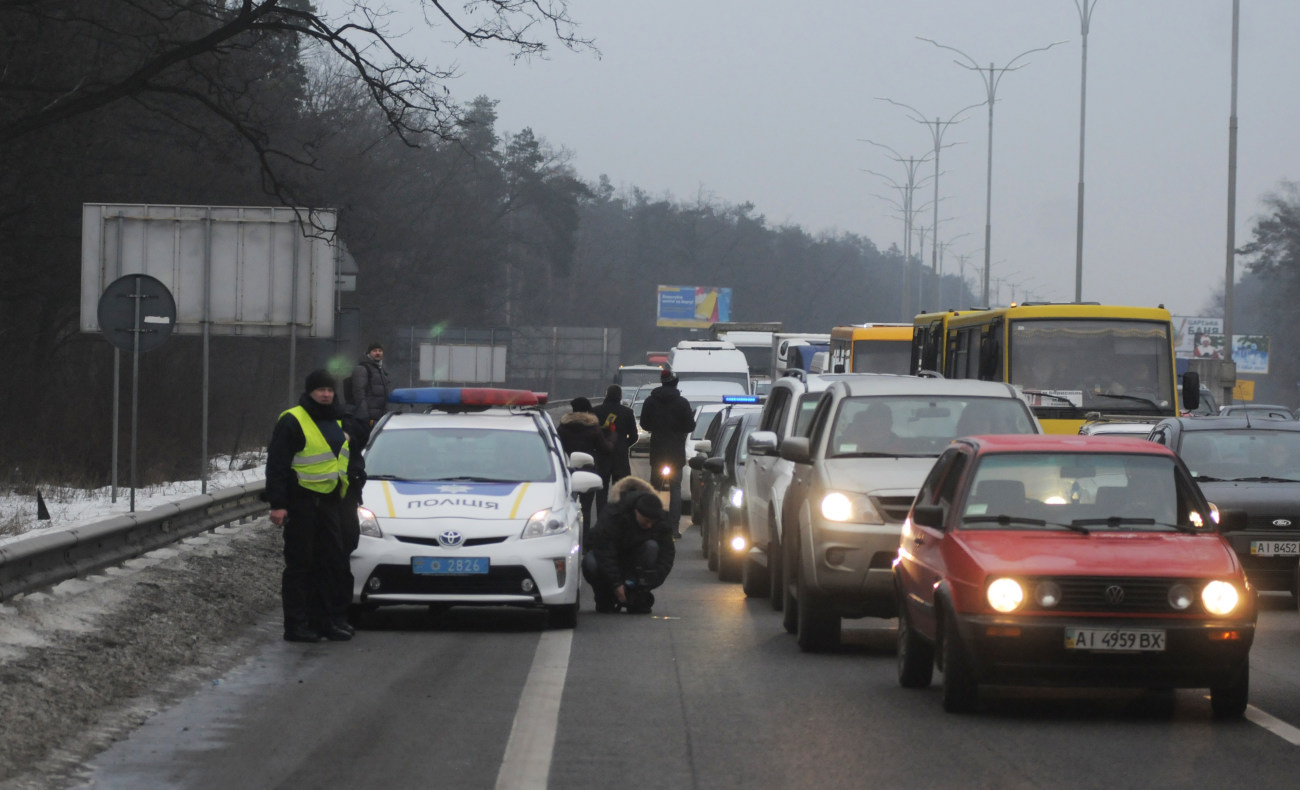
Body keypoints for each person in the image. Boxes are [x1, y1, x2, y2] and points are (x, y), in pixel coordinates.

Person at [266, 369, 354, 643]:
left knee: (329, 564)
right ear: (309, 392)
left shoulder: (336, 419)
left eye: (330, 390)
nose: (326, 394)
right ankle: (296, 625)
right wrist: (278, 504)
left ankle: (324, 622)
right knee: (300, 565)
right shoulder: (293, 420)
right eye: (321, 390)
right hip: (301, 502)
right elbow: (277, 465)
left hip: (329, 503)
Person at [582, 476, 676, 614]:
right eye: (646, 521)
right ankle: (604, 596)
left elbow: (667, 556)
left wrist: (650, 582)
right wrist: (616, 584)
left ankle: (637, 593)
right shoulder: (613, 513)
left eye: (652, 522)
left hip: (636, 564)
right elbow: (604, 550)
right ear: (636, 512)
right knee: (590, 562)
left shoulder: (659, 519)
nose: (649, 525)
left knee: (652, 547)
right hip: (609, 562)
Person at [638, 367, 695, 538]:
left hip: (658, 451)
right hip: (675, 453)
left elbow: (645, 424)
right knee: (675, 489)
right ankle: (673, 528)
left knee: (655, 489)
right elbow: (690, 426)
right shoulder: (682, 403)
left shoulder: (650, 401)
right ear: (675, 384)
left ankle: (652, 525)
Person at [556, 396, 614, 538]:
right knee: (585, 509)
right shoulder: (593, 428)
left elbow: (556, 449)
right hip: (588, 472)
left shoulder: (563, 427)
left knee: (564, 507)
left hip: (567, 473)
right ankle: (585, 540)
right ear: (588, 410)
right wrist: (612, 435)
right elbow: (605, 448)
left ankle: (566, 537)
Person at [591, 383, 638, 487]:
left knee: (601, 490)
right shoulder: (627, 412)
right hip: (620, 457)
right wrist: (623, 445)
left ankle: (602, 504)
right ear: (620, 396)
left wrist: (598, 446)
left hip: (601, 455)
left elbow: (591, 434)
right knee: (621, 490)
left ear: (606, 395)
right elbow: (634, 436)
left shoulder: (596, 411)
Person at [350, 342, 392, 424]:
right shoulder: (362, 368)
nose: (378, 353)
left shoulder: (381, 370)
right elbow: (359, 393)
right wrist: (364, 415)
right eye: (374, 351)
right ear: (369, 353)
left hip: (381, 418)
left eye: (380, 351)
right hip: (369, 418)